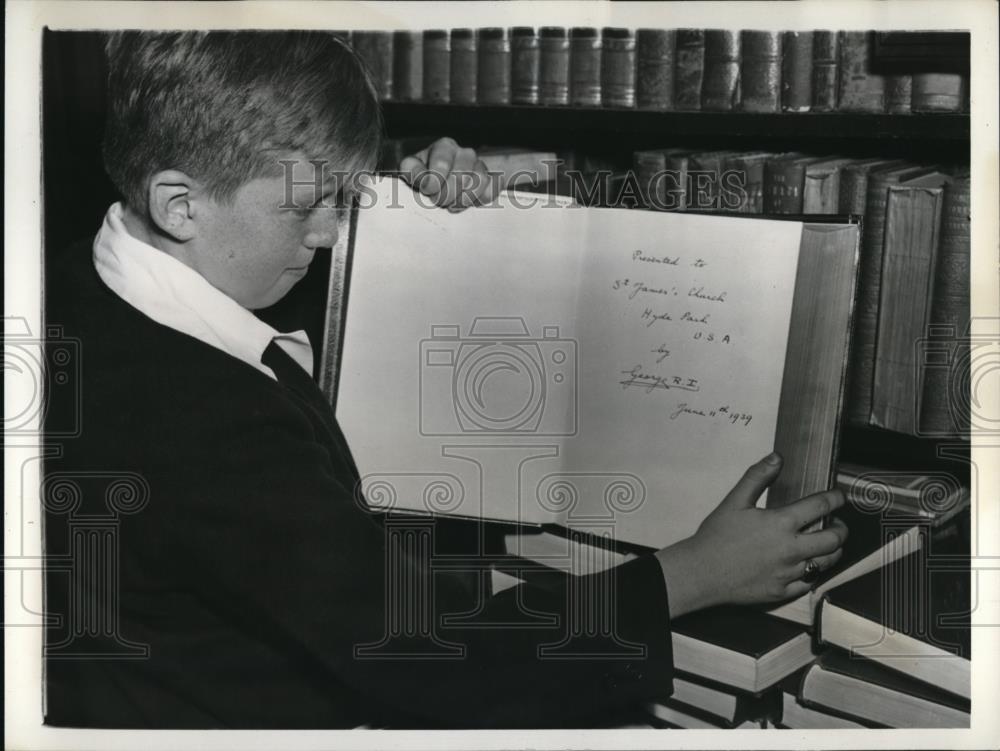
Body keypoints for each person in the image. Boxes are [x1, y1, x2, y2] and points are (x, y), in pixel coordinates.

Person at [43, 30, 847, 729]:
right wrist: (695, 571)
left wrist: (415, 219)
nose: (329, 233)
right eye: (308, 207)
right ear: (180, 205)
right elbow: (429, 651)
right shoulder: (201, 424)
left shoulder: (77, 283)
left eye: (339, 197)